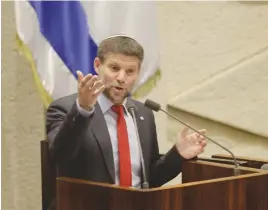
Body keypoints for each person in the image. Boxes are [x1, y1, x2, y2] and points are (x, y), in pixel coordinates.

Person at [46, 35, 207, 208]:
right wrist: (83, 110)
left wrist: (178, 154)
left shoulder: (142, 113)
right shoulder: (66, 108)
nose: (122, 78)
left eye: (130, 71)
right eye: (114, 68)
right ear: (98, 65)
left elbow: (150, 179)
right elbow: (61, 156)